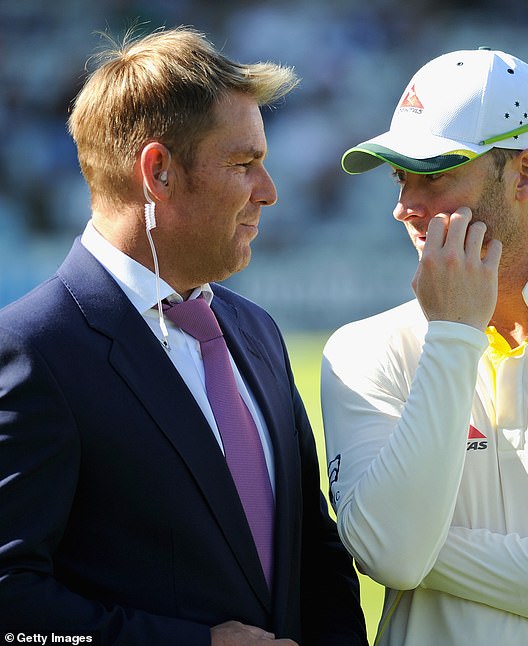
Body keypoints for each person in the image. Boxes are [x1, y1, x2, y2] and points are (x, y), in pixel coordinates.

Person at [0, 26, 368, 646]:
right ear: (159, 171)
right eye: (244, 164)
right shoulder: (36, 351)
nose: (269, 192)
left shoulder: (256, 333)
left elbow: (315, 556)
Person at [321, 47, 528, 645]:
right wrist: (455, 334)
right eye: (401, 176)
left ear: (526, 173)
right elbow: (394, 557)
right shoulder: (361, 351)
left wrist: (425, 549)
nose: (405, 206)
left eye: (435, 174)